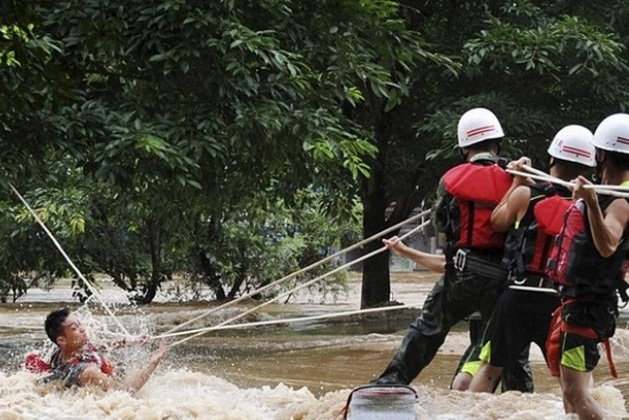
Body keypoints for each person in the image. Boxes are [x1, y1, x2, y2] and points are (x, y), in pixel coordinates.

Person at [373, 107, 531, 391]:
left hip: (461, 275)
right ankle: (524, 402)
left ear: (464, 148)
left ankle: (389, 385)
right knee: (512, 348)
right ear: (497, 144)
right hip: (502, 283)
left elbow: (441, 222)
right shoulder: (516, 179)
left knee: (427, 330)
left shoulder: (451, 179)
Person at [467, 125, 596, 392]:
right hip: (560, 301)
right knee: (572, 382)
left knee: (490, 369)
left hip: (518, 295)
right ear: (587, 169)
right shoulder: (589, 206)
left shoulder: (527, 193)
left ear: (551, 159)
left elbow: (497, 222)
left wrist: (516, 181)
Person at [545, 114, 629, 419]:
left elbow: (608, 246)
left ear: (602, 153)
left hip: (588, 307)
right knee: (571, 397)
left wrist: (592, 203)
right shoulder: (606, 193)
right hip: (580, 303)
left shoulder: (619, 201)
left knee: (576, 396)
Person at [32, 308, 169, 393]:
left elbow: (98, 346)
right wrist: (154, 362)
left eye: (80, 325)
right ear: (62, 340)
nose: (82, 329)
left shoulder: (62, 351)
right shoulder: (87, 372)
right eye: (74, 328)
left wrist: (130, 341)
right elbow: (125, 392)